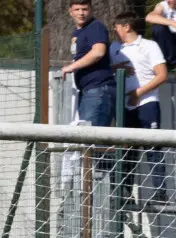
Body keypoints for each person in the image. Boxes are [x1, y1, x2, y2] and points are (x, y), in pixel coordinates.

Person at [110, 12, 168, 202]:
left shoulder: (149, 46)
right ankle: (125, 193)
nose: (115, 30)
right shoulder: (114, 48)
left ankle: (160, 193)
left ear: (126, 27)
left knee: (152, 147)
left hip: (146, 103)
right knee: (126, 149)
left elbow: (161, 75)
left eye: (117, 26)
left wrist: (138, 93)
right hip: (124, 107)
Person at [62, 0, 115, 129]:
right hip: (87, 90)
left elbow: (98, 52)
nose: (81, 13)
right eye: (77, 9)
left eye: (85, 9)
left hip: (98, 89)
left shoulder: (95, 27)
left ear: (91, 10)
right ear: (70, 11)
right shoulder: (77, 32)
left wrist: (71, 67)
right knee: (86, 140)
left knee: (92, 140)